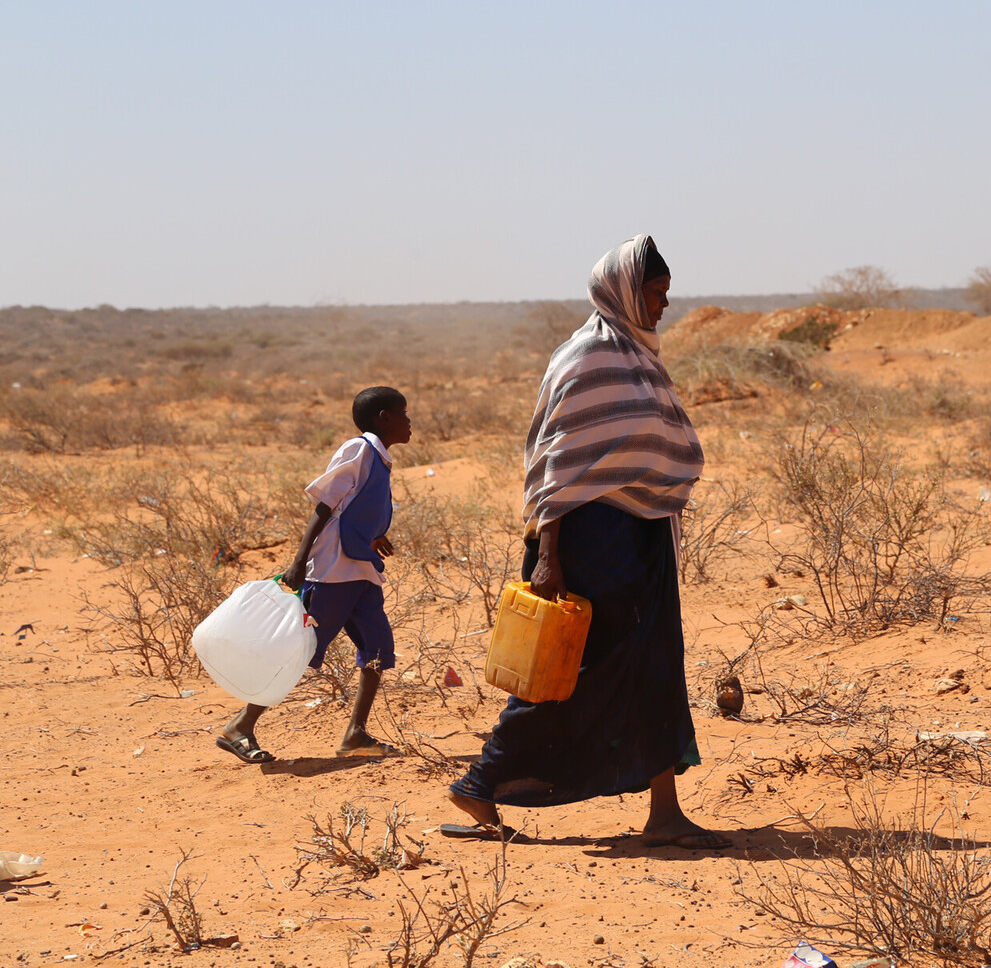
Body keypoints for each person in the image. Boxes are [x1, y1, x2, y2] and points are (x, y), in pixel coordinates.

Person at [446, 234, 729, 849]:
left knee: (655, 664)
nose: (662, 306)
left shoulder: (637, 355)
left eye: (665, 294)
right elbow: (556, 464)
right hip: (587, 539)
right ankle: (483, 780)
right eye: (655, 293)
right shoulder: (586, 357)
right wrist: (549, 556)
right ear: (624, 292)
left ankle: (664, 813)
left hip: (640, 535)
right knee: (576, 670)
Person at [215, 386, 411, 763]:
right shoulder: (359, 449)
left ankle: (355, 733)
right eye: (403, 414)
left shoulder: (380, 457)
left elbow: (354, 507)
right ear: (384, 418)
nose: (409, 422)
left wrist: (374, 534)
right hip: (333, 571)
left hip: (361, 570)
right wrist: (299, 561)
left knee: (377, 648)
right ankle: (241, 725)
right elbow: (325, 506)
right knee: (299, 650)